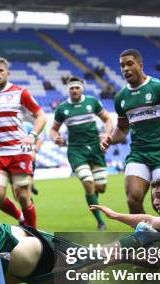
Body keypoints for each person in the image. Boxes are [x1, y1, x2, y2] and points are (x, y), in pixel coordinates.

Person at [101, 49, 160, 214]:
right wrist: (110, 139)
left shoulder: (159, 88)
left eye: (129, 64)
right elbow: (122, 129)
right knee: (133, 199)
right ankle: (148, 238)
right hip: (138, 154)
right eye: (122, 66)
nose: (125, 69)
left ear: (140, 65)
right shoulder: (121, 98)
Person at [0, 57, 47, 228]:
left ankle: (34, 235)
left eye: (0, 70)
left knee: (23, 196)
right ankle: (21, 218)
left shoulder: (19, 92)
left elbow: (41, 115)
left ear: (8, 73)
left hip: (18, 152)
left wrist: (32, 134)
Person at [50, 76, 114, 230]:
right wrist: (56, 138)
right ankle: (100, 221)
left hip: (95, 149)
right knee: (88, 182)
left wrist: (106, 134)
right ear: (68, 90)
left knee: (101, 187)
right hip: (75, 151)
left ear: (82, 88)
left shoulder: (92, 102)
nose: (74, 90)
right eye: (71, 88)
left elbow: (108, 120)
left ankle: (93, 201)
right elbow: (53, 129)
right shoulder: (62, 108)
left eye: (77, 87)